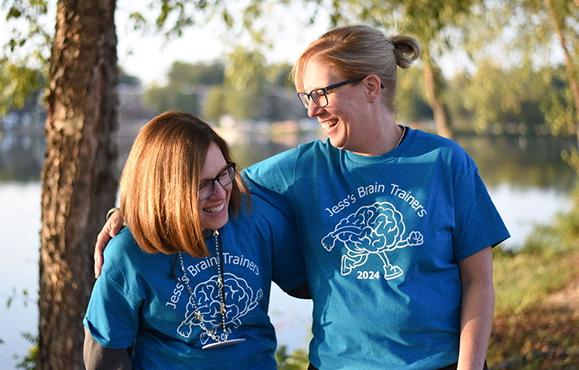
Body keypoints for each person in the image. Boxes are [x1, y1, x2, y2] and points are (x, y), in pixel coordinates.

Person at [98, 25, 510, 370]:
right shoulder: (302, 168)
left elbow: (479, 280)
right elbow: (188, 182)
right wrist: (128, 212)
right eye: (305, 97)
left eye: (321, 94)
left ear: (370, 87)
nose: (311, 111)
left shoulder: (445, 161)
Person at [83, 111, 307, 370]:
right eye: (202, 185)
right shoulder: (128, 254)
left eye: (224, 173)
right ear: (164, 190)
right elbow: (105, 358)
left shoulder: (254, 216)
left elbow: (318, 285)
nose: (220, 193)